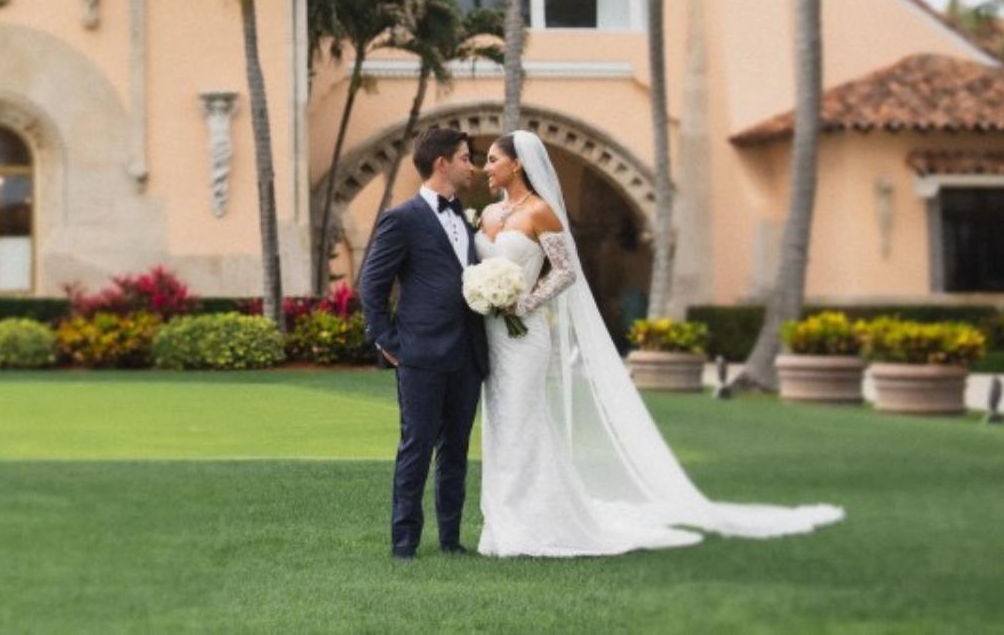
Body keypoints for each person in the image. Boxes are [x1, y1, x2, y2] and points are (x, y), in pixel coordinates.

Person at [471, 130, 845, 556]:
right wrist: (482, 293)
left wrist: (526, 302)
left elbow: (565, 271)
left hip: (524, 334)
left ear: (517, 164)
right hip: (491, 335)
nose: (487, 167)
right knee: (500, 424)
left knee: (523, 422)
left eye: (494, 160)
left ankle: (529, 523)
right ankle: (501, 518)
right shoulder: (487, 214)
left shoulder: (541, 212)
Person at [358, 126, 488, 558]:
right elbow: (372, 285)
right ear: (441, 163)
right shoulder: (402, 218)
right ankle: (404, 543)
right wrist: (385, 338)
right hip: (421, 353)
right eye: (466, 158)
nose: (472, 166)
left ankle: (451, 539)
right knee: (416, 447)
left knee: (456, 450)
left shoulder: (464, 217)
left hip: (467, 353)